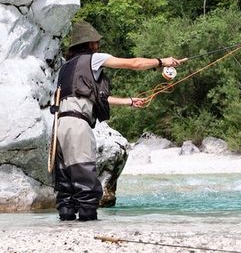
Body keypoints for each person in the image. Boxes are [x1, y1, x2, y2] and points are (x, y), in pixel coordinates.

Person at [54, 21, 187, 222]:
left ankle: (66, 228)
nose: (98, 45)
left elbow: (90, 96)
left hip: (58, 126)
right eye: (96, 42)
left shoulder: (66, 68)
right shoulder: (95, 59)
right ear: (91, 44)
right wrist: (162, 61)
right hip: (77, 125)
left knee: (65, 185)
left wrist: (129, 102)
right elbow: (133, 63)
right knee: (84, 179)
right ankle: (89, 225)